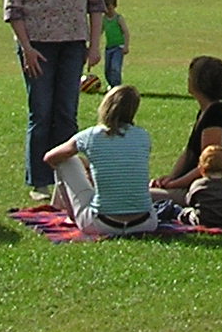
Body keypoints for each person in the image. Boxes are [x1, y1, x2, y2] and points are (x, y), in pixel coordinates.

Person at [3, 0, 104, 202]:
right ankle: (40, 180)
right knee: (42, 111)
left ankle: (67, 177)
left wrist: (94, 44)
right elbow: (13, 6)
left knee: (67, 112)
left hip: (73, 42)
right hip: (38, 46)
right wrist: (27, 48)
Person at [45, 84, 157, 238]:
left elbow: (51, 157)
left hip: (102, 223)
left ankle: (68, 213)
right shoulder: (143, 136)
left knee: (65, 161)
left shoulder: (90, 136)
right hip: (146, 222)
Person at [153, 55, 222, 201]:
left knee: (138, 197)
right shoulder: (205, 111)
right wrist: (170, 178)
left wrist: (174, 184)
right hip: (189, 187)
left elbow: (207, 166)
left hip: (204, 192)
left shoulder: (216, 116)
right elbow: (189, 153)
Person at [183, 144, 222, 230]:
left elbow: (189, 201)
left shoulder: (197, 184)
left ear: (201, 168)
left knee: (186, 212)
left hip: (202, 220)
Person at [101, 0, 131, 88]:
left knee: (115, 67)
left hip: (119, 47)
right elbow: (99, 32)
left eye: (109, 7)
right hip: (109, 48)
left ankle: (117, 86)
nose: (107, 11)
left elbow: (126, 32)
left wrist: (126, 46)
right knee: (107, 69)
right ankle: (110, 84)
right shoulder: (103, 19)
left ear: (114, 6)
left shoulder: (118, 18)